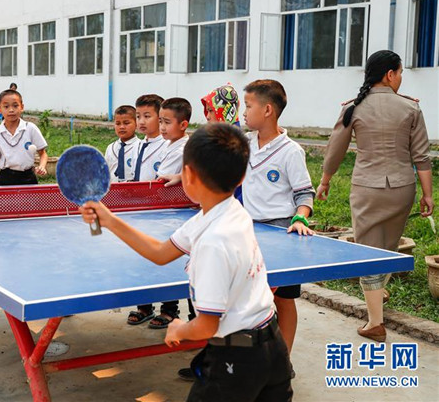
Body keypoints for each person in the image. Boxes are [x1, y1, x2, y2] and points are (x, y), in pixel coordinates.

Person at [80, 124, 293, 401]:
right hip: (273, 347)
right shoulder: (228, 212)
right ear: (242, 177)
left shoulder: (212, 242)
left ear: (188, 175)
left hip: (237, 359)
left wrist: (180, 328)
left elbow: (206, 326)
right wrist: (110, 221)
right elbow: (161, 252)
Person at [316, 50, 434, 343]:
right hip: (402, 188)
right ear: (389, 74)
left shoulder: (353, 107)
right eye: (400, 72)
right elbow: (421, 156)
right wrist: (428, 195)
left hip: (366, 188)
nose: (401, 78)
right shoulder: (411, 108)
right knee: (389, 247)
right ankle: (377, 290)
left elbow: (335, 150)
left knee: (367, 251)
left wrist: (325, 181)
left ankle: (375, 323)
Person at [241, 79, 315, 361]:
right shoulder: (245, 143)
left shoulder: (291, 151)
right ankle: (245, 359)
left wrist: (300, 218)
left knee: (282, 299)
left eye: (248, 106)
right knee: (251, 299)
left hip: (280, 231)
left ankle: (283, 360)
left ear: (267, 110)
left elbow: (304, 193)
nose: (244, 112)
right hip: (249, 231)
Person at [127, 94, 167, 327]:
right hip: (140, 211)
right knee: (141, 260)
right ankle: (144, 306)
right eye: (138, 116)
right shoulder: (137, 145)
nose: (141, 121)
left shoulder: (168, 145)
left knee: (166, 262)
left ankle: (169, 309)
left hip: (162, 213)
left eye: (147, 116)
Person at [0, 89, 48, 186]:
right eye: (6, 106)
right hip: (5, 179)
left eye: (15, 106)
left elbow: (43, 154)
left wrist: (42, 166)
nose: (11, 110)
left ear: (22, 107)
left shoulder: (30, 128)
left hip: (29, 178)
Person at [104, 105, 139, 182]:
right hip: (113, 188)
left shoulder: (140, 147)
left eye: (126, 123)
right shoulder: (111, 148)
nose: (122, 127)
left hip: (133, 188)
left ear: (136, 124)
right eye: (118, 123)